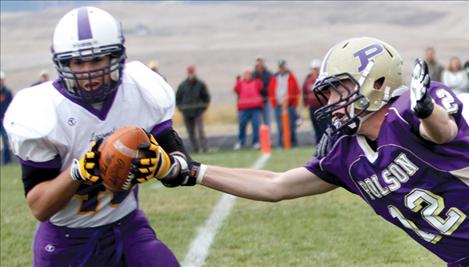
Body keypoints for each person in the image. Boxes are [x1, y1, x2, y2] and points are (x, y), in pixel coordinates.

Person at [158, 37, 469, 266]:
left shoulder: (410, 109)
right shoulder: (346, 154)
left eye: (339, 88)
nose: (331, 100)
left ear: (375, 83)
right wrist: (195, 172)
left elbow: (443, 132)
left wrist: (427, 110)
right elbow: (275, 186)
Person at [3, 7, 200, 266]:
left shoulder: (139, 89)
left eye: (97, 60)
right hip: (67, 241)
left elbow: (178, 157)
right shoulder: (44, 111)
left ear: (116, 57)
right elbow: (39, 207)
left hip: (128, 226)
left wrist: (168, 166)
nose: (88, 71)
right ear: (63, 64)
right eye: (78, 62)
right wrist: (78, 172)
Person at [176, 65, 210, 153]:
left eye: (192, 72)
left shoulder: (200, 84)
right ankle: (195, 148)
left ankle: (205, 148)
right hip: (186, 112)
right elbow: (178, 98)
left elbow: (206, 97)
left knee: (200, 130)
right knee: (190, 132)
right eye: (189, 73)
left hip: (198, 111)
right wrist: (181, 108)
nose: (191, 74)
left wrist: (203, 107)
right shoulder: (182, 85)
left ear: (194, 73)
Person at [268, 59, 301, 147]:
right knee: (280, 126)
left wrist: (294, 104)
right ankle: (281, 144)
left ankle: (293, 143)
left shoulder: (291, 77)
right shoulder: (275, 78)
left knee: (291, 126)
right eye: (280, 67)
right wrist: (274, 103)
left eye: (282, 67)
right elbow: (271, 91)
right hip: (278, 106)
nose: (281, 69)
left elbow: (296, 90)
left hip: (289, 106)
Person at [233, 68, 264, 150]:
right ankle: (240, 142)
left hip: (255, 108)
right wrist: (238, 80)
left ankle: (256, 142)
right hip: (243, 108)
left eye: (249, 74)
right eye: (246, 74)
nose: (247, 75)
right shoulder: (240, 83)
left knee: (256, 125)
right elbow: (235, 89)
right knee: (242, 125)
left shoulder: (256, 82)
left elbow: (261, 86)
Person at [302, 59, 326, 144]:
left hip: (323, 107)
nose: (315, 71)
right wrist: (305, 104)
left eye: (317, 69)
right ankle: (318, 144)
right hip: (312, 107)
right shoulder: (308, 81)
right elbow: (304, 92)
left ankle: (325, 145)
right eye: (314, 69)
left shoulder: (323, 80)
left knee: (324, 127)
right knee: (315, 127)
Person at [253, 55, 273, 127]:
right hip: (255, 102)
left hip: (266, 100)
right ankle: (259, 137)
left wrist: (263, 90)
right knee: (257, 122)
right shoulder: (252, 74)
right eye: (258, 61)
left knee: (267, 121)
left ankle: (267, 138)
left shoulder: (269, 74)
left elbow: (272, 86)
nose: (260, 63)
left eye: (261, 61)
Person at [0, 71, 13, 164]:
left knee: (5, 140)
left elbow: (11, 105)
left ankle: (6, 161)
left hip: (4, 120)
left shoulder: (7, 92)